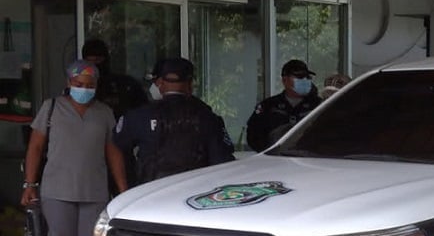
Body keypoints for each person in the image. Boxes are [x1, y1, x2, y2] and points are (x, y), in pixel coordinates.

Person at [21, 60, 128, 236]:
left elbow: (112, 152)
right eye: (78, 85)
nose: (84, 89)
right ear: (69, 83)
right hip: (57, 191)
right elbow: (35, 148)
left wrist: (124, 190)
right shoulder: (52, 108)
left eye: (90, 85)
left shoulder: (104, 112)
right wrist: (29, 184)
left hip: (94, 191)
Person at [114, 57, 235, 186]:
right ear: (190, 84)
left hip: (150, 195)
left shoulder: (140, 115)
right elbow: (222, 161)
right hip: (193, 196)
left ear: (160, 83)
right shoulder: (206, 117)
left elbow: (115, 146)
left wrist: (124, 190)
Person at [245, 59, 325, 151]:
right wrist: (270, 152)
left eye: (307, 77)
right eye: (299, 77)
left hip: (309, 159)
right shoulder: (268, 105)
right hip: (275, 160)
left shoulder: (318, 105)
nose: (304, 80)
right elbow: (253, 134)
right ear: (284, 80)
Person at [81, 38, 152, 120]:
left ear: (105, 60)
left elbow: (143, 113)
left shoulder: (126, 85)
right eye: (89, 61)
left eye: (97, 60)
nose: (94, 65)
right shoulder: (79, 88)